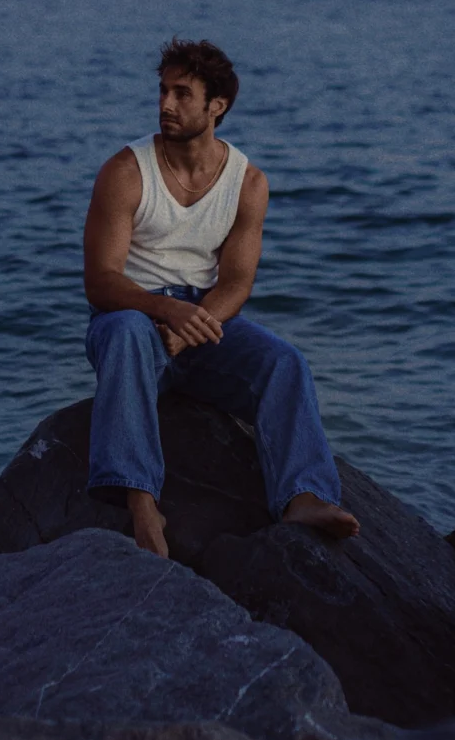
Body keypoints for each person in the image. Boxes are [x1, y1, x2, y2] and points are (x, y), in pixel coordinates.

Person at [82, 37, 360, 558]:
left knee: (284, 361)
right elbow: (100, 281)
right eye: (163, 91)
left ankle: (303, 495)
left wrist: (191, 328)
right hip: (132, 314)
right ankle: (143, 506)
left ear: (217, 106)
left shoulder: (248, 182)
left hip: (202, 321)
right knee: (122, 331)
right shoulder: (125, 172)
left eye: (182, 94)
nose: (165, 104)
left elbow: (235, 282)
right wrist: (166, 310)